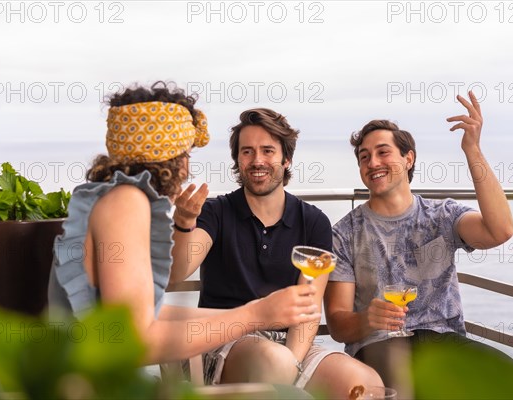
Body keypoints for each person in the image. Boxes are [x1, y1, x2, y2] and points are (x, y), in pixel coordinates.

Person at [47, 82, 322, 365]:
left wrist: (255, 312)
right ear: (169, 156)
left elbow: (147, 313)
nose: (187, 168)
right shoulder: (126, 203)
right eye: (187, 154)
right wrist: (255, 316)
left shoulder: (118, 198)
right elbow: (134, 341)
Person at [170, 108, 383, 398]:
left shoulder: (314, 222)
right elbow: (178, 270)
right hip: (222, 337)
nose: (257, 161)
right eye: (247, 152)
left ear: (286, 159)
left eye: (267, 151)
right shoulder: (216, 212)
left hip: (289, 344)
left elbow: (307, 308)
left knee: (365, 384)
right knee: (273, 362)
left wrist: (293, 363)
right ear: (238, 160)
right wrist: (183, 224)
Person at [324, 92, 513, 397]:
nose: (373, 162)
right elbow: (337, 325)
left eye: (383, 152)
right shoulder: (344, 234)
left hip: (444, 345)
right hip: (379, 349)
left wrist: (473, 151)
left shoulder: (442, 216)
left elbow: (501, 230)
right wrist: (366, 320)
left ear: (408, 158)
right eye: (364, 157)